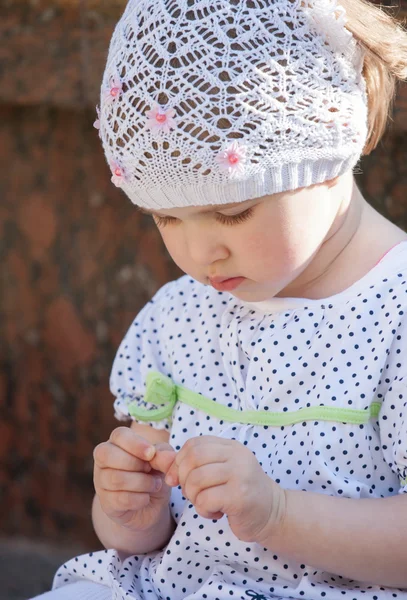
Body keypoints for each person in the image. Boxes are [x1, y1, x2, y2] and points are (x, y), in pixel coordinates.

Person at [32, 0, 407, 599]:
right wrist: (131, 512)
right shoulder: (177, 316)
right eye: (165, 219)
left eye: (231, 213)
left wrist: (276, 514)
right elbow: (138, 543)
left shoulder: (396, 313)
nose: (199, 253)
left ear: (332, 147)